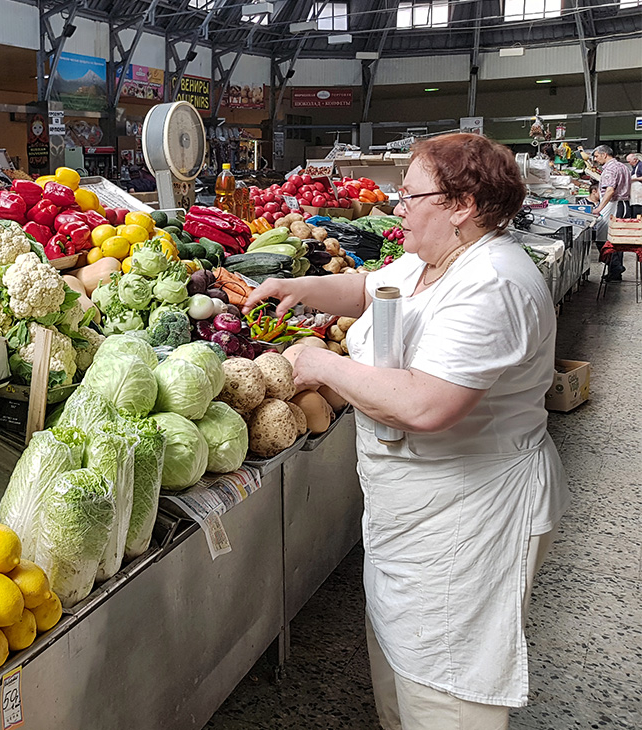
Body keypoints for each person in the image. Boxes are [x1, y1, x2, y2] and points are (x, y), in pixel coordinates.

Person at [243, 133, 567, 730]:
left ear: (461, 204)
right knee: (405, 676)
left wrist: (321, 363)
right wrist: (300, 287)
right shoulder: (434, 257)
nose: (397, 206)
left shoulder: (490, 283)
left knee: (447, 692)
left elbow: (427, 404)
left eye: (410, 195)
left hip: (471, 519)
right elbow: (370, 289)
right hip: (416, 515)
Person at [590, 144, 632, 280]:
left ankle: (615, 266)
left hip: (613, 206)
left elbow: (610, 190)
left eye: (596, 156)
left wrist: (599, 208)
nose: (596, 159)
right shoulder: (622, 166)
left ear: (604, 154)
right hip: (624, 205)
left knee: (603, 239)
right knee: (616, 240)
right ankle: (615, 272)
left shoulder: (610, 169)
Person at [627, 152, 642, 217]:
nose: (629, 163)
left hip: (639, 196)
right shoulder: (634, 168)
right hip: (634, 197)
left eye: (629, 161)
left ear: (635, 160)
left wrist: (633, 179)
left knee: (638, 215)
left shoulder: (640, 165)